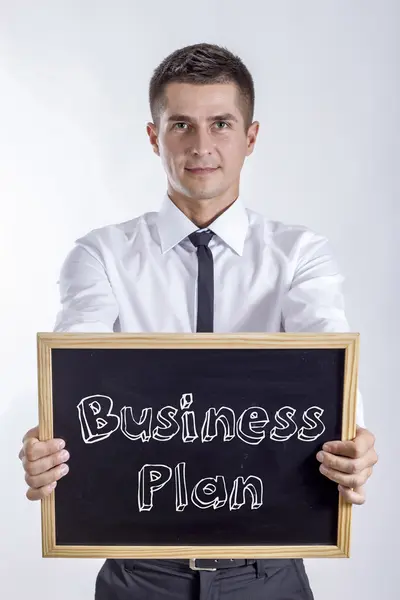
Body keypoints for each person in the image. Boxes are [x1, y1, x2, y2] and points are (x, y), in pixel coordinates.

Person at [19, 43, 378, 599]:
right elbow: (74, 373)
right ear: (153, 136)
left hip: (268, 573)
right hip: (141, 575)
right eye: (181, 124)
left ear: (251, 137)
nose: (202, 146)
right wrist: (49, 441)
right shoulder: (101, 256)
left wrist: (354, 439)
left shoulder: (300, 256)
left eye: (221, 124)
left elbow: (329, 359)